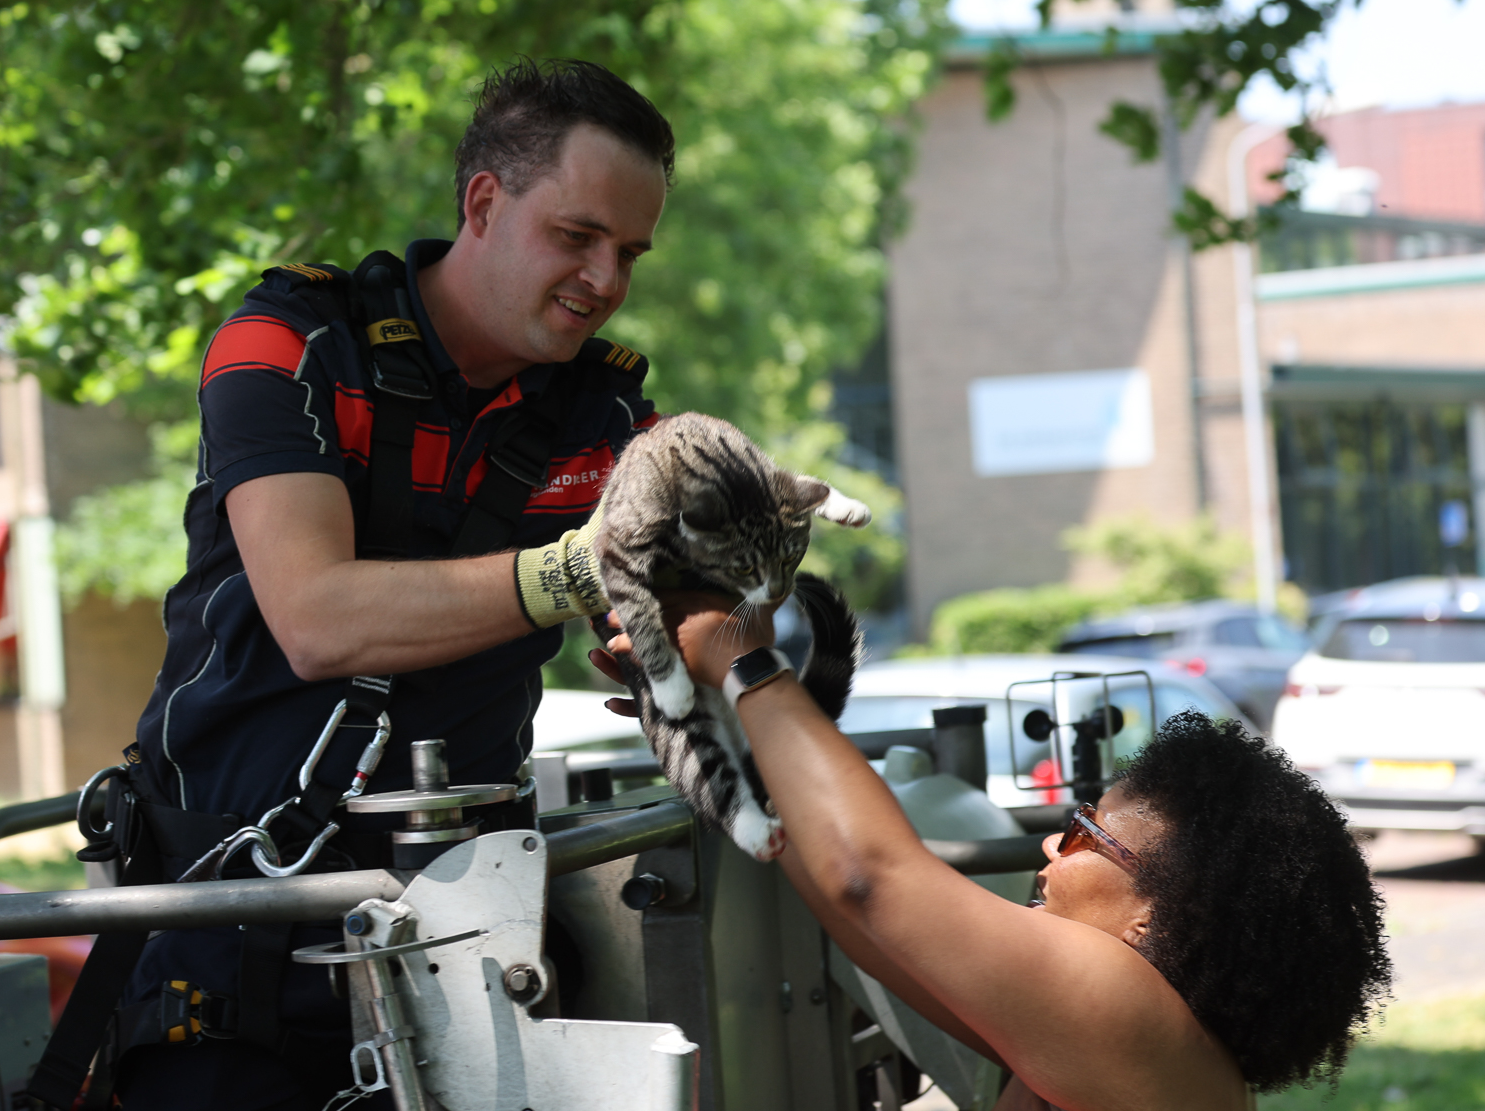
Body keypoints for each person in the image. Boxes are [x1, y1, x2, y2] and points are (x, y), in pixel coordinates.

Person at [80, 59, 676, 1110]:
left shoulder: (610, 417)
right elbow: (316, 618)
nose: (606, 280)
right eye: (577, 237)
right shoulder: (288, 342)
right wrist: (577, 569)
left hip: (468, 927)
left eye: (628, 253)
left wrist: (724, 613)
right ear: (482, 204)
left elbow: (697, 584)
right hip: (235, 918)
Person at [591, 595, 1391, 1111]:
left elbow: (872, 879)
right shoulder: (1136, 1051)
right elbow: (859, 919)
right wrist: (709, 722)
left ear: (1159, 915)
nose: (1051, 839)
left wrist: (745, 659)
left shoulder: (1124, 1009)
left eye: (1085, 836)